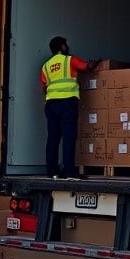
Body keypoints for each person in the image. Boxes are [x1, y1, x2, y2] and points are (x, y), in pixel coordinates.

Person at [40, 36, 98, 178]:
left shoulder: (46, 66)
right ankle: (69, 172)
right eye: (65, 45)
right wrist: (96, 63)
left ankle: (52, 171)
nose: (68, 47)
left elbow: (43, 86)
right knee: (68, 137)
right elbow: (86, 66)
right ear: (62, 47)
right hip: (67, 103)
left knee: (53, 138)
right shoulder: (69, 60)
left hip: (51, 105)